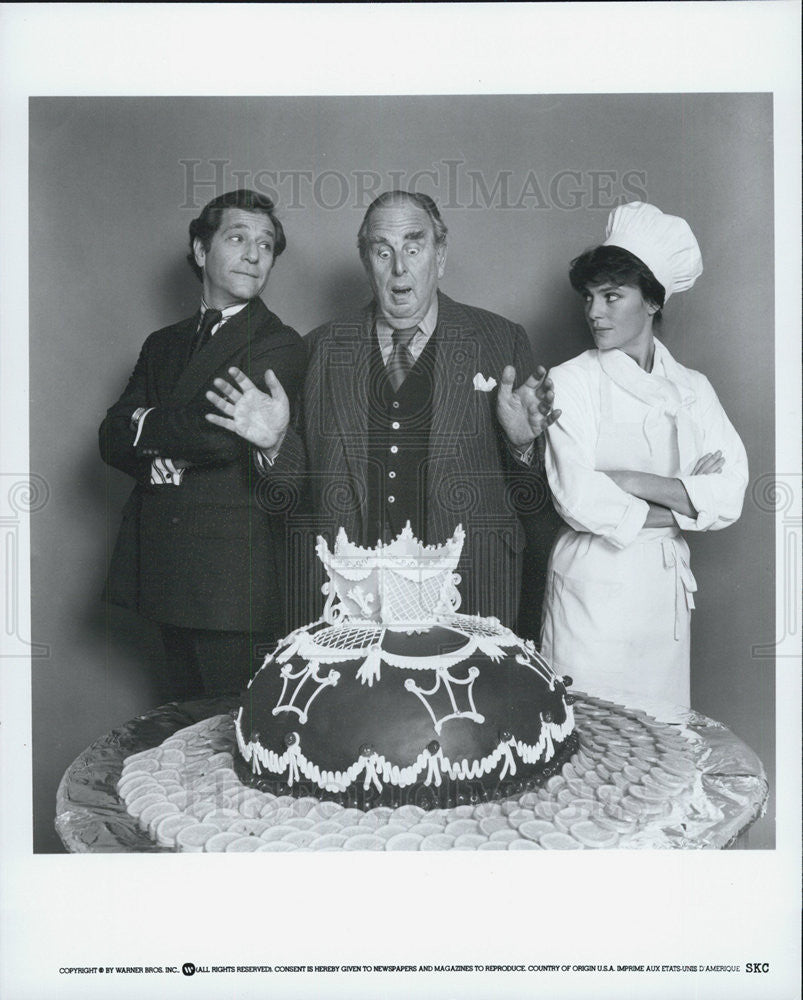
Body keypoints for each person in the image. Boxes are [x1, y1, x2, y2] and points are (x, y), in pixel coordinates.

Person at [205, 190, 557, 627]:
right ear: (365, 261)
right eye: (382, 251)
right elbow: (292, 490)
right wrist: (275, 445)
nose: (399, 268)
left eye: (413, 247)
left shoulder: (500, 341)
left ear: (440, 256)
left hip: (469, 589)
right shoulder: (319, 348)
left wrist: (523, 446)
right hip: (349, 600)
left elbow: (535, 497)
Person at [99, 189, 307, 698]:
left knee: (229, 736)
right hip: (165, 572)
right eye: (238, 238)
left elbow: (218, 437)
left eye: (265, 245)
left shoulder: (279, 342)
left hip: (233, 586)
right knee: (179, 728)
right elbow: (109, 436)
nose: (254, 255)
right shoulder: (162, 343)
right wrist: (157, 457)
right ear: (200, 251)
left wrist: (145, 424)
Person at [540, 202, 748, 707]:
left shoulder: (693, 388)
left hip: (661, 598)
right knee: (591, 751)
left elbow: (731, 493)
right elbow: (579, 499)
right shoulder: (571, 381)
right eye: (590, 297)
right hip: (591, 594)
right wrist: (683, 502)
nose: (594, 312)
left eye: (612, 297)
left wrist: (631, 480)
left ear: (652, 303)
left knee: (661, 747)